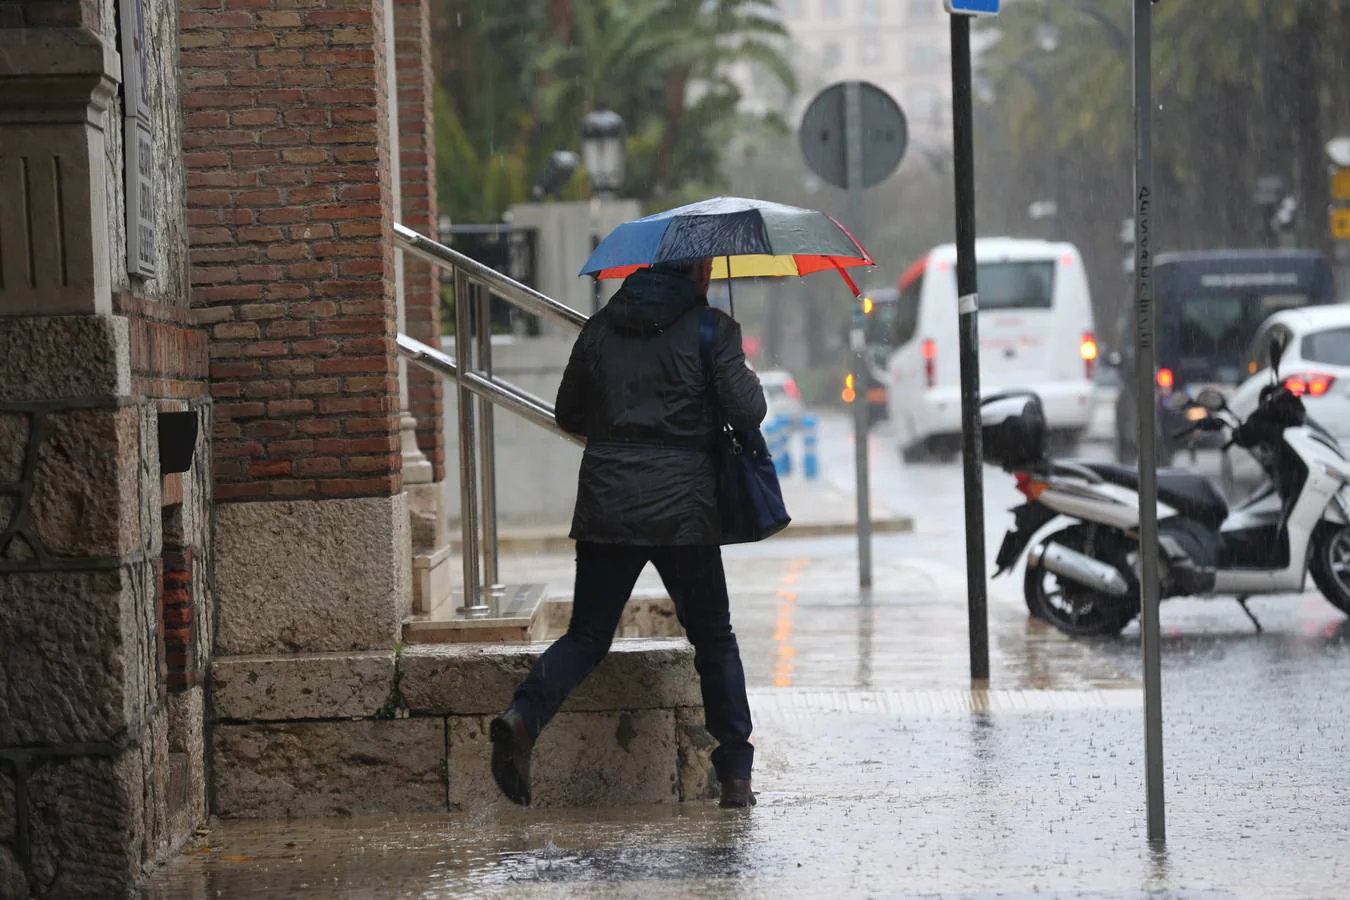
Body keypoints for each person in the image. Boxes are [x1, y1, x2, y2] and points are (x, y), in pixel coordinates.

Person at [488, 257, 767, 809]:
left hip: (607, 502)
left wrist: (624, 428)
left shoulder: (601, 327)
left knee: (588, 636)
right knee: (713, 637)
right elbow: (750, 411)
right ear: (701, 273)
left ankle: (523, 718)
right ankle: (735, 774)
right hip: (685, 510)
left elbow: (569, 412)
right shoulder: (712, 328)